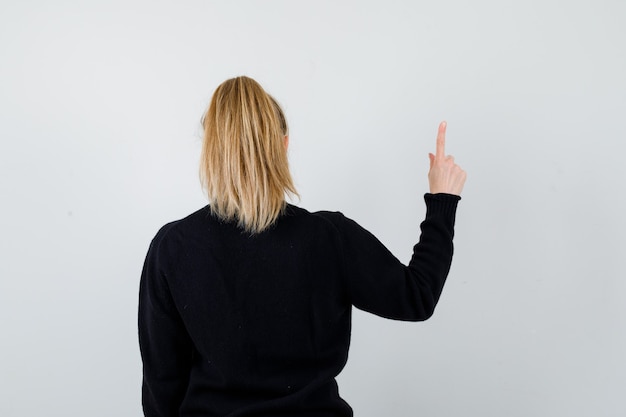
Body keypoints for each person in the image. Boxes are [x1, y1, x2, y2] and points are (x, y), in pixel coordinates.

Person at [138, 76, 466, 417]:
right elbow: (418, 296)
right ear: (283, 145)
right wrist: (443, 201)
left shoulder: (172, 248)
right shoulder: (328, 237)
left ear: (209, 149)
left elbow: (162, 388)